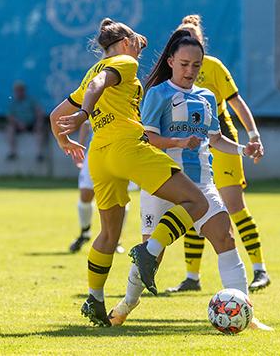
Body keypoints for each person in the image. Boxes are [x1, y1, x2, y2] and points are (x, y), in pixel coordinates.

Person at [51, 18, 235, 327]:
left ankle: (94, 298)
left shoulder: (90, 72)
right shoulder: (123, 61)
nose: (141, 48)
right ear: (125, 44)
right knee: (197, 202)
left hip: (100, 156)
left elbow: (56, 114)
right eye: (137, 43)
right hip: (128, 149)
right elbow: (98, 87)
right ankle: (149, 253)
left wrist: (63, 140)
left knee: (108, 234)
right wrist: (83, 115)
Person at [107, 30, 269, 330]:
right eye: (184, 64)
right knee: (151, 257)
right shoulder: (158, 94)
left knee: (225, 237)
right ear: (170, 61)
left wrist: (244, 149)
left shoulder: (206, 97)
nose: (190, 71)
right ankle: (127, 303)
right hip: (163, 184)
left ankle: (245, 312)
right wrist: (179, 144)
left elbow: (216, 139)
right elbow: (148, 138)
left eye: (196, 65)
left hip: (202, 184)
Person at [165, 15, 271, 293]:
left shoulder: (212, 67)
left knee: (234, 206)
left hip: (220, 142)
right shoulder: (170, 73)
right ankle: (192, 276)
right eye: (182, 38)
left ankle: (260, 270)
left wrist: (254, 135)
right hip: (190, 147)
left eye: (193, 38)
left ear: (200, 42)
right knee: (193, 206)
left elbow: (237, 102)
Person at [69, 121, 126, 254]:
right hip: (95, 152)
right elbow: (85, 122)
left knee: (119, 196)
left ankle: (115, 238)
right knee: (85, 195)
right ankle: (85, 232)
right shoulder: (96, 100)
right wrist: (80, 149)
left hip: (120, 151)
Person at [6, 81, 48, 161]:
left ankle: (39, 153)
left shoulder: (31, 100)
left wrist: (38, 123)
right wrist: (18, 123)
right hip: (18, 125)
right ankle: (12, 151)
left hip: (32, 123)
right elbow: (10, 116)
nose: (19, 92)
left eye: (20, 90)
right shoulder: (13, 102)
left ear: (24, 91)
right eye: (17, 90)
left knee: (40, 130)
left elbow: (39, 112)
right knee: (9, 129)